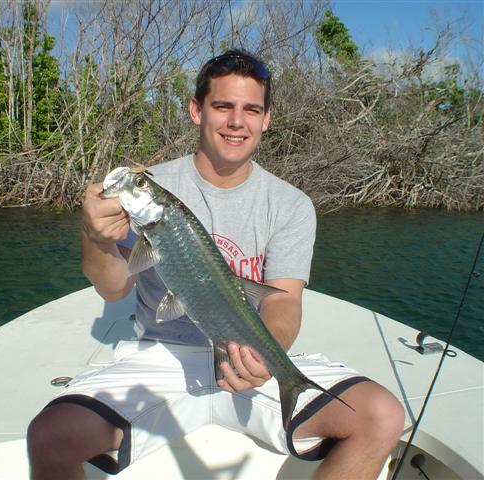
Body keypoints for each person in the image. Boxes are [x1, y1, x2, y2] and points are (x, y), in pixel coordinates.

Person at [27, 49, 405, 479]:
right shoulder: (152, 188)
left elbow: (283, 302)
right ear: (196, 110)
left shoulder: (290, 205)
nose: (236, 122)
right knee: (48, 436)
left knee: (382, 416)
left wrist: (263, 355)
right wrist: (95, 237)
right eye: (222, 106)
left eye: (251, 109)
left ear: (266, 119)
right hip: (161, 355)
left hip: (249, 356)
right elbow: (114, 287)